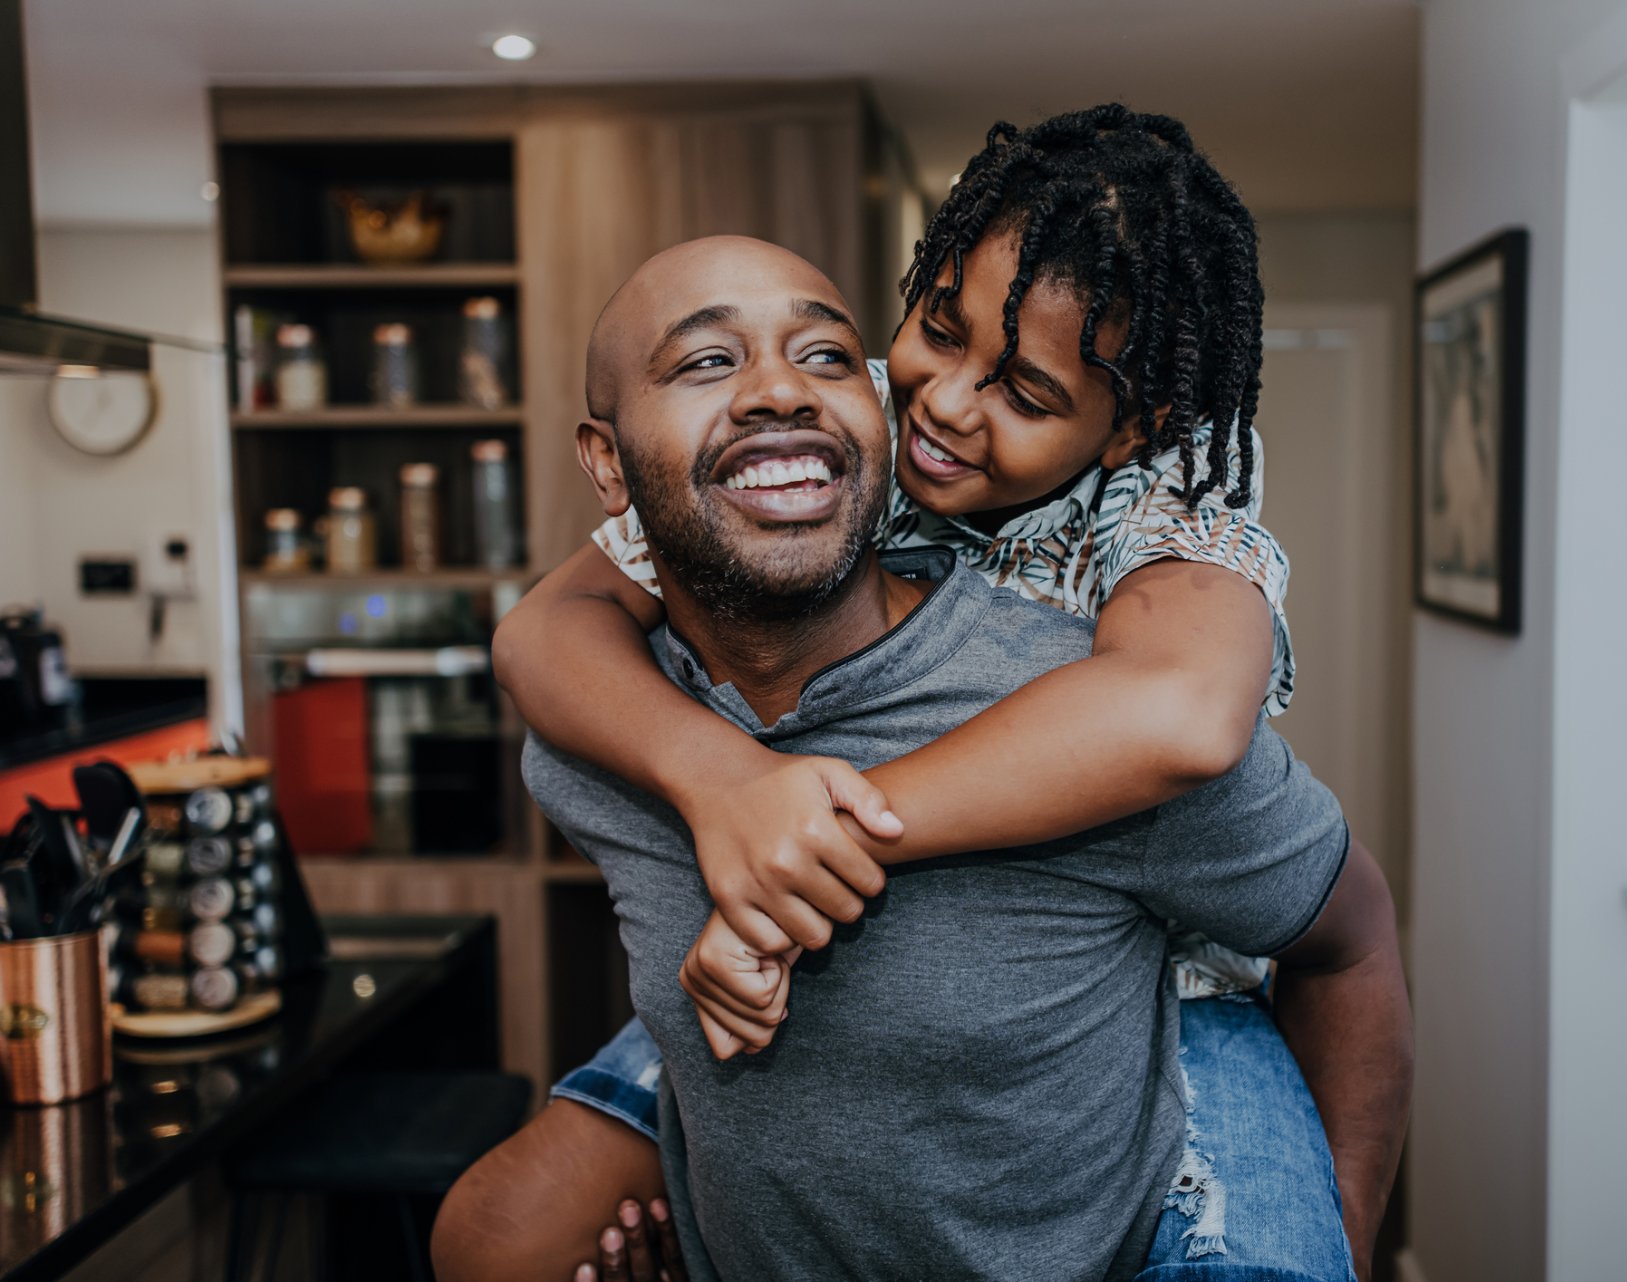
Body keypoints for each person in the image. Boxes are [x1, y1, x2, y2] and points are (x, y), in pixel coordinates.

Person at [475, 105, 1399, 1265]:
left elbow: (1180, 715)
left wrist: (817, 827)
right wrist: (725, 784)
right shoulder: (842, 418)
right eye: (938, 328)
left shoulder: (1167, 504)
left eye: (1025, 394)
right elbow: (544, 631)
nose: (947, 403)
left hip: (1178, 976)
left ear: (1130, 427)